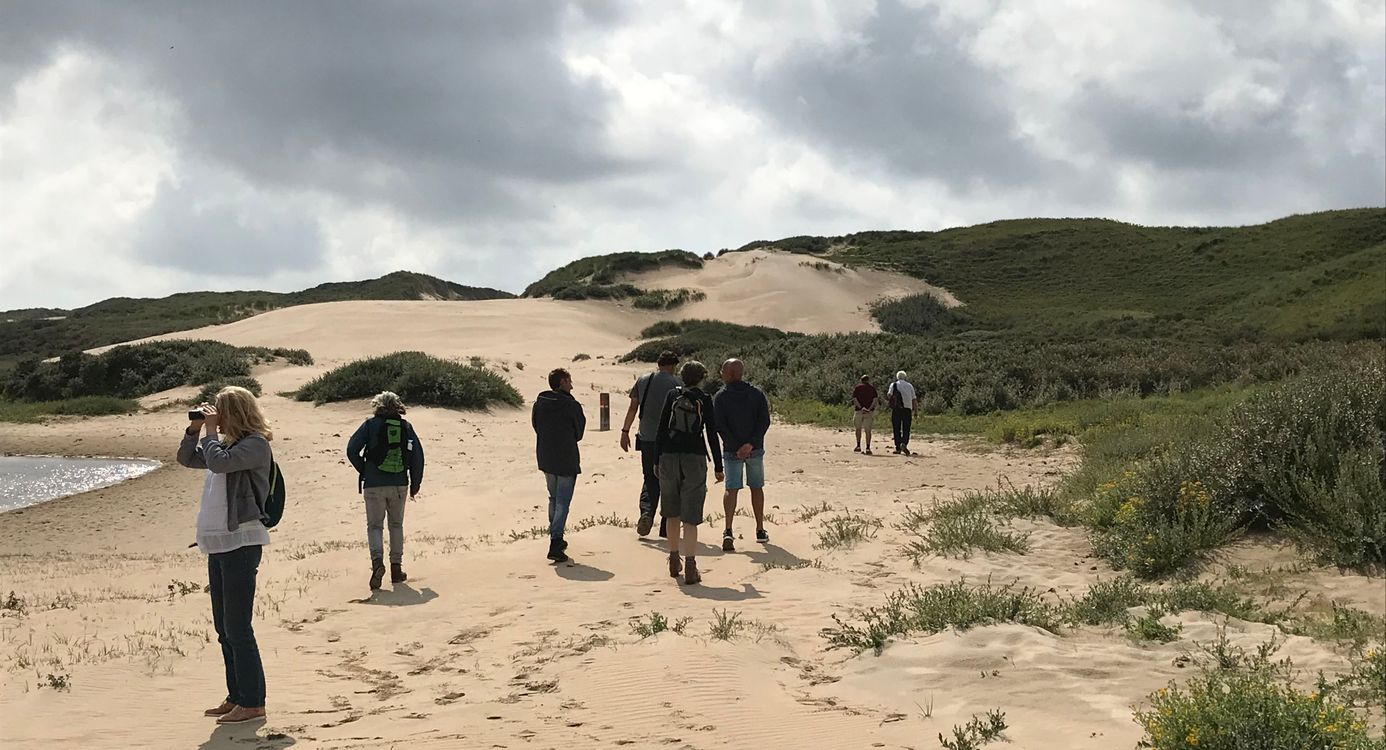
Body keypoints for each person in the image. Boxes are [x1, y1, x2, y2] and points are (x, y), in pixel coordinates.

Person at [176, 386, 272, 725]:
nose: (214, 416)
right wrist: (194, 431)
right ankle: (237, 697)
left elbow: (219, 464)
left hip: (241, 543)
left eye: (220, 410)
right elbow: (186, 458)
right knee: (223, 627)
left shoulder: (255, 445)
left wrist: (211, 431)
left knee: (237, 626)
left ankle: (253, 702)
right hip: (218, 544)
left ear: (235, 412)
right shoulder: (226, 445)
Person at [346, 391, 425, 591]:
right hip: (399, 484)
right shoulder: (406, 427)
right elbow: (418, 456)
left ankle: (377, 564)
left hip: (373, 484)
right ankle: (396, 569)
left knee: (375, 526)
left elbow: (351, 449)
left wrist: (365, 470)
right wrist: (415, 483)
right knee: (396, 525)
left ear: (377, 406)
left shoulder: (369, 425)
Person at [654, 361, 724, 585]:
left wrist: (656, 459)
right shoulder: (704, 399)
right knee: (691, 515)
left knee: (671, 511)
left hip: (669, 455)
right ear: (701, 378)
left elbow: (661, 428)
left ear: (682, 377)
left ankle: (674, 559)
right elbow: (711, 433)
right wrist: (719, 466)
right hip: (695, 457)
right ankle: (691, 566)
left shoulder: (672, 395)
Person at [619, 350, 682, 539]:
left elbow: (633, 408)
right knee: (670, 481)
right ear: (673, 365)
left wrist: (625, 431)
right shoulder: (677, 383)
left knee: (649, 478)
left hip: (646, 437)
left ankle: (646, 513)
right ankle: (666, 526)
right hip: (670, 440)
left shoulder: (643, 380)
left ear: (659, 364)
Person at [711, 358, 771, 551]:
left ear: (730, 374)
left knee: (731, 488)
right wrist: (750, 444)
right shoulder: (757, 393)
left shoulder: (721, 396)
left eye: (723, 371)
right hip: (754, 449)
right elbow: (764, 421)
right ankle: (760, 529)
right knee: (756, 487)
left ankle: (728, 530)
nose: (721, 374)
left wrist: (737, 446)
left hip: (732, 450)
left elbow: (720, 425)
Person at [532, 368, 586, 563]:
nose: (572, 385)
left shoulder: (540, 403)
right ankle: (555, 541)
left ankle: (556, 537)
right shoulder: (572, 405)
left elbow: (536, 426)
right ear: (562, 382)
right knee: (562, 500)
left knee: (554, 498)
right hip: (566, 457)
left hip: (546, 455)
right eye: (569, 381)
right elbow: (579, 432)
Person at [887, 370, 918, 455]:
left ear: (897, 377)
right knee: (906, 428)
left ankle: (898, 447)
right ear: (905, 377)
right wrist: (916, 411)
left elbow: (889, 395)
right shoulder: (909, 386)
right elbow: (914, 399)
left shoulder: (893, 385)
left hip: (896, 409)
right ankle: (904, 443)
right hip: (907, 409)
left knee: (896, 428)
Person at [851, 374, 878, 455]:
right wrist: (869, 408)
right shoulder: (872, 388)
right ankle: (868, 447)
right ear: (868, 380)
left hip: (859, 411)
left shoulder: (857, 388)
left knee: (858, 429)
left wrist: (861, 407)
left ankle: (858, 445)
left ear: (861, 380)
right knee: (868, 430)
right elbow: (875, 400)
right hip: (869, 412)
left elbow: (855, 399)